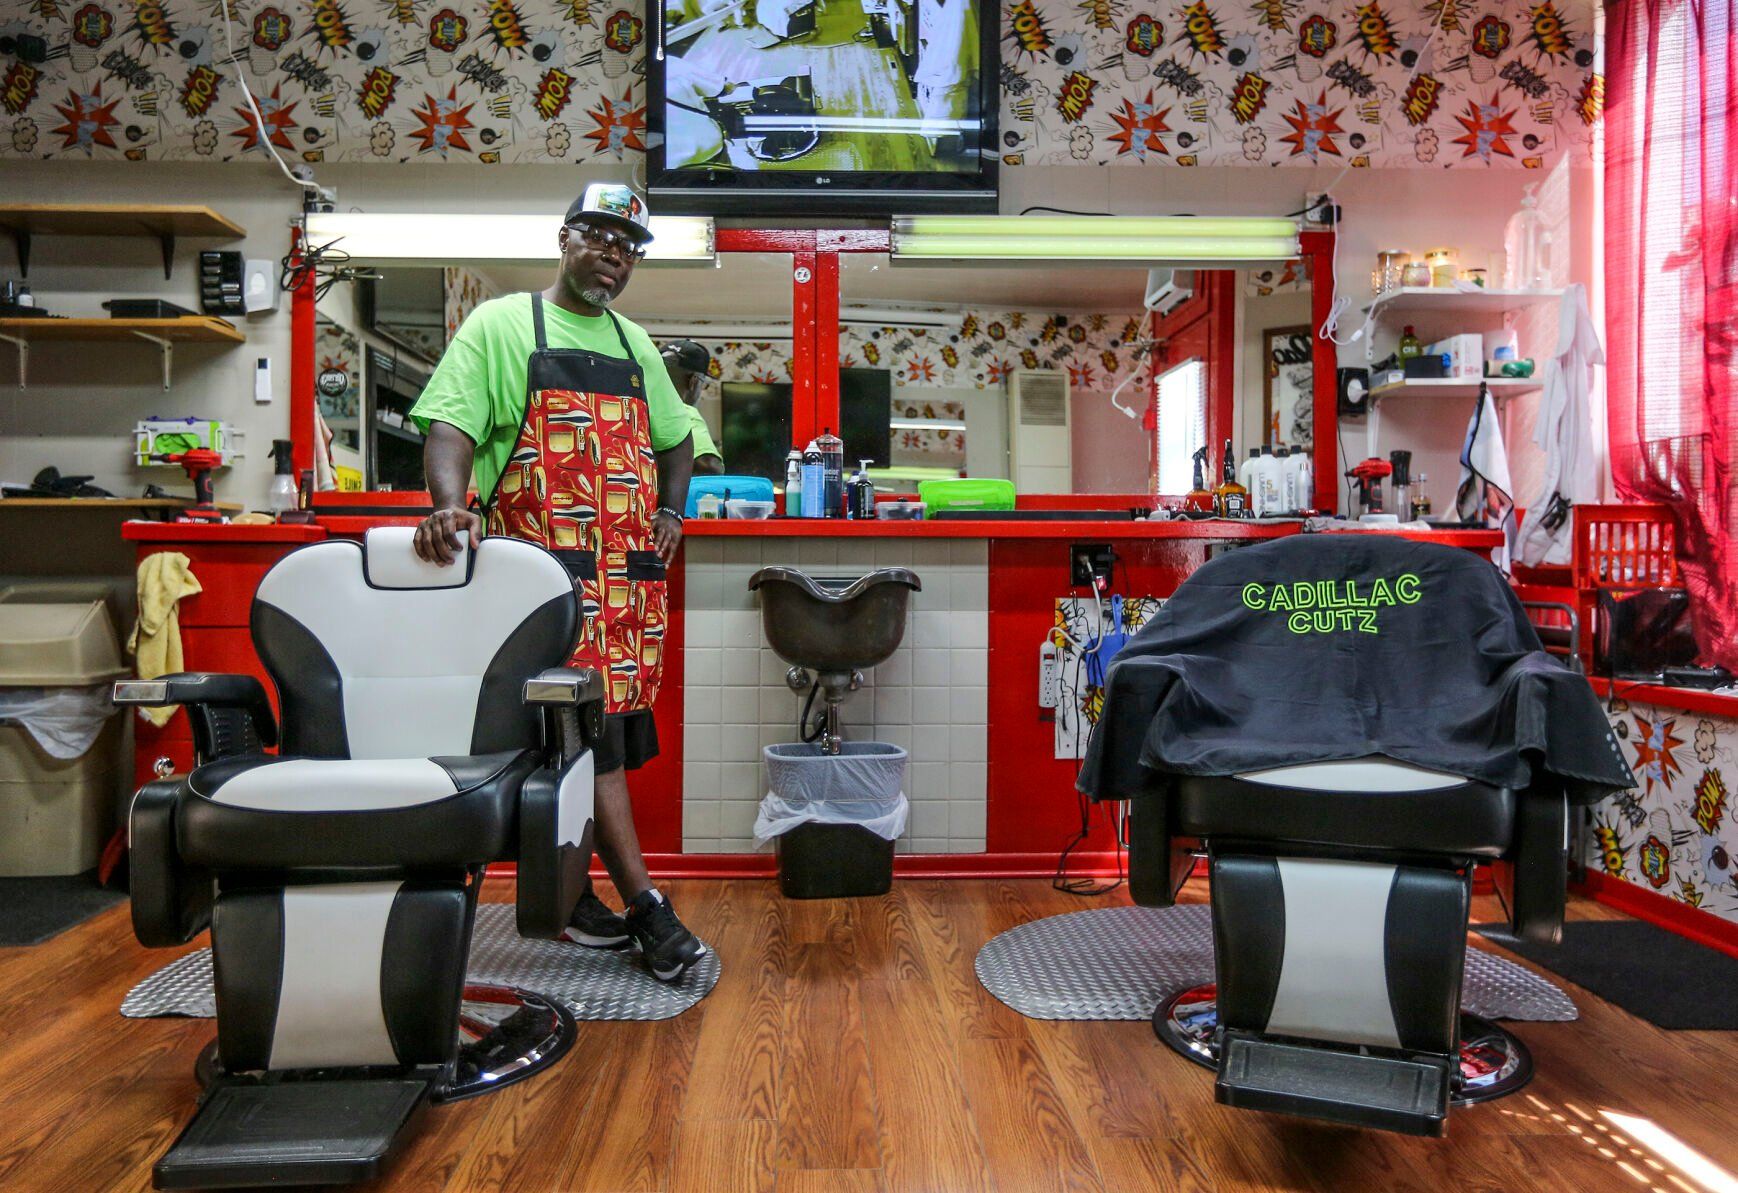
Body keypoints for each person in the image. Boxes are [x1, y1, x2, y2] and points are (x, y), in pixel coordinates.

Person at [408, 183, 706, 981]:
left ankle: (573, 896)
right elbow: (452, 424)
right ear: (566, 235)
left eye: (630, 245)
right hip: (545, 590)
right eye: (602, 234)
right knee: (579, 747)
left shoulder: (638, 345)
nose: (616, 253)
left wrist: (673, 513)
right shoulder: (501, 323)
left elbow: (679, 437)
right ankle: (645, 908)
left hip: (626, 590)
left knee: (588, 748)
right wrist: (450, 506)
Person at [661, 339, 726, 475]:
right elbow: (709, 465)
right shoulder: (683, 414)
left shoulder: (637, 408)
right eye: (704, 384)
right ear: (693, 382)